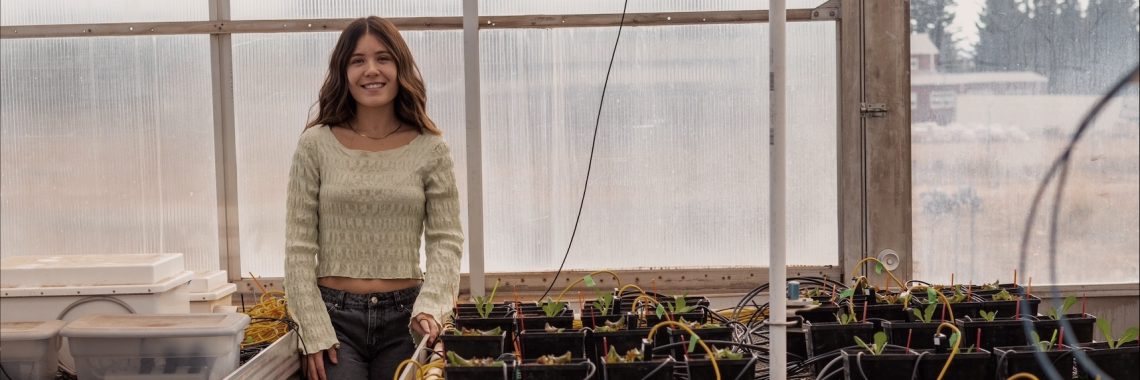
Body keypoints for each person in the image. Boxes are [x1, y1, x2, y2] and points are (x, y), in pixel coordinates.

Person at [284, 15, 463, 380]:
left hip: (407, 320)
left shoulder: (431, 148)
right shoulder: (315, 145)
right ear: (343, 71)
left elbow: (446, 239)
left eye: (383, 58)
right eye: (357, 60)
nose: (371, 70)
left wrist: (431, 306)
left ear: (399, 67)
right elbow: (298, 246)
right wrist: (312, 328)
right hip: (334, 322)